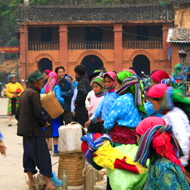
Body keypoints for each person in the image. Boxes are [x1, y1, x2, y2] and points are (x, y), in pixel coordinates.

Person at [16, 70, 57, 190]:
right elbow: (38, 113)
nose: (42, 83)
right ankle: (49, 183)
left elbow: (17, 114)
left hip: (25, 130)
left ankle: (31, 182)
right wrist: (44, 122)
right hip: (34, 130)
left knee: (28, 154)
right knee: (43, 155)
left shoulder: (24, 93)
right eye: (41, 81)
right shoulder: (34, 94)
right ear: (35, 82)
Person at [135, 117, 190, 190]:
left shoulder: (162, 168)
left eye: (137, 137)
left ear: (145, 140)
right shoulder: (161, 159)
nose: (136, 140)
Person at [147, 84, 190, 167]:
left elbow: (182, 140)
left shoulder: (174, 116)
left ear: (161, 101)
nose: (153, 107)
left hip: (181, 161)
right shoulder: (169, 114)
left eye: (153, 104)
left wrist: (181, 163)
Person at [104, 70, 146, 146]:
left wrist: (107, 127)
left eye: (116, 84)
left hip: (120, 141)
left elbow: (108, 124)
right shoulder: (135, 97)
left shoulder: (121, 100)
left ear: (124, 85)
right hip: (135, 138)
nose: (115, 87)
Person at [41, 72, 64, 155]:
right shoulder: (56, 87)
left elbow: (41, 97)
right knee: (55, 131)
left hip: (46, 111)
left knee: (47, 131)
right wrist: (63, 101)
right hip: (55, 112)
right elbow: (58, 98)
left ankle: (45, 151)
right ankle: (55, 150)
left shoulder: (44, 87)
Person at [74, 65, 91, 133]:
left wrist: (76, 101)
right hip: (88, 107)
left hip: (82, 109)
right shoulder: (88, 80)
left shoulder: (81, 82)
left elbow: (83, 93)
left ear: (77, 73)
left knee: (82, 129)